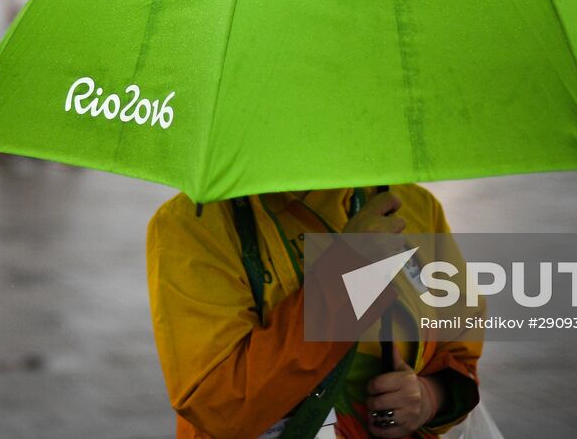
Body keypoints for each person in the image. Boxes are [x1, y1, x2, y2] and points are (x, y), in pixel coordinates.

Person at [147, 186, 481, 438]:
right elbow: (222, 406)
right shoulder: (193, 225)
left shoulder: (410, 204)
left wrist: (428, 398)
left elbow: (459, 354)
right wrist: (349, 270)